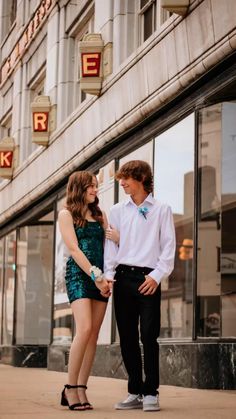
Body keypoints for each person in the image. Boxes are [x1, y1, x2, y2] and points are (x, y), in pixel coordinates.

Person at [104, 160, 176, 412]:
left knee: (148, 335)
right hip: (122, 278)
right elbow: (111, 249)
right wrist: (108, 276)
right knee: (127, 338)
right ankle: (135, 390)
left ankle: (151, 392)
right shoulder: (116, 210)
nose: (122, 183)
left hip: (148, 279)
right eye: (121, 179)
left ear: (141, 178)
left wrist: (156, 276)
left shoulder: (162, 209)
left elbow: (168, 247)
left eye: (126, 178)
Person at [58, 171, 116, 411]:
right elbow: (74, 249)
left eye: (96, 186)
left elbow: (109, 246)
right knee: (84, 329)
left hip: (102, 279)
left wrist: (108, 277)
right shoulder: (66, 214)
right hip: (80, 276)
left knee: (94, 334)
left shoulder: (100, 215)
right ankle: (70, 387)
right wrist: (97, 276)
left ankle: (82, 387)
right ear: (79, 188)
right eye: (91, 186)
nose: (95, 190)